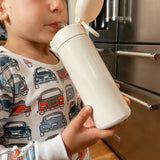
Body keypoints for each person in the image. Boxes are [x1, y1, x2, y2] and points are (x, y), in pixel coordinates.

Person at [0, 0, 130, 159]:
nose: (58, 6)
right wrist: (64, 146)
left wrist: (90, 110)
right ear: (2, 8)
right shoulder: (4, 69)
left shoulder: (65, 58)